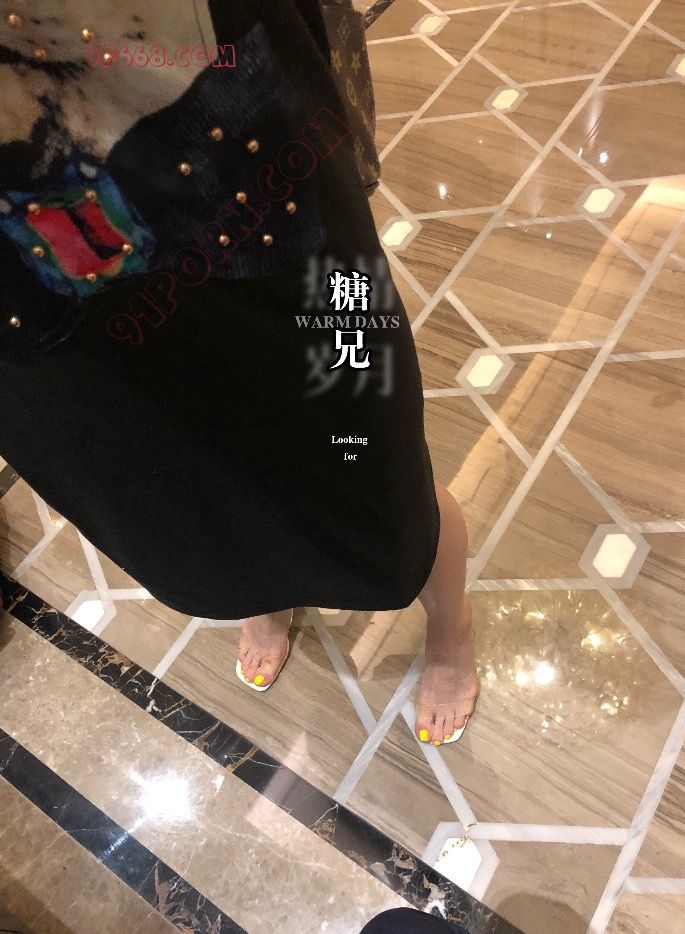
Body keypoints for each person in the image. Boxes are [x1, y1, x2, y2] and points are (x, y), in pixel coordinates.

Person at [0, 0, 478, 746]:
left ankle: (451, 623)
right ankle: (265, 591)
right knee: (196, 504)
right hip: (26, 301)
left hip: (220, 147)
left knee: (372, 477)